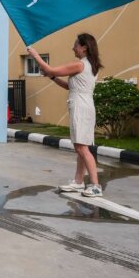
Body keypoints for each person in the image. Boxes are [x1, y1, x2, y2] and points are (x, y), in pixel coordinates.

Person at [27, 33, 104, 197]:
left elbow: (50, 69)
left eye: (76, 45)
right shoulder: (89, 65)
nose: (73, 48)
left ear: (84, 47)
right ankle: (78, 181)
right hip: (84, 105)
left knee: (81, 147)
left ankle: (96, 186)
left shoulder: (80, 65)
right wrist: (53, 78)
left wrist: (35, 55)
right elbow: (69, 86)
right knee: (81, 145)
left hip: (80, 107)